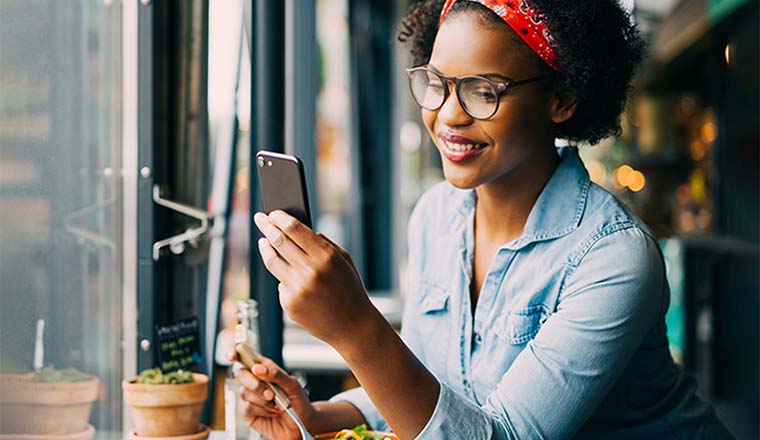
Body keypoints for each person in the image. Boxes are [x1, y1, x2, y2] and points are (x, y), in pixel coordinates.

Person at [231, 0, 733, 438]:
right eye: (437, 84)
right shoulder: (435, 216)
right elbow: (433, 389)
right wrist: (317, 414)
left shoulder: (613, 258)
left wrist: (355, 328)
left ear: (562, 99)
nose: (449, 114)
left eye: (483, 91)